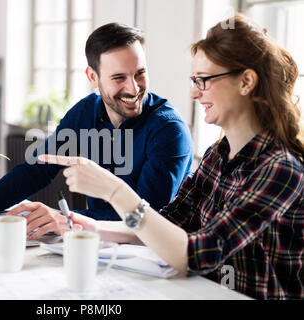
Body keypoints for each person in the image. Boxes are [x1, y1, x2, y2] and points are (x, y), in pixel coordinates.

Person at [40, 14, 304, 300]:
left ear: (246, 82)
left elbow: (196, 253)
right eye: (194, 80)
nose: (193, 92)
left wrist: (113, 190)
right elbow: (166, 224)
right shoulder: (219, 155)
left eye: (203, 80)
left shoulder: (281, 169)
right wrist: (86, 225)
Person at [0, 23, 193, 239]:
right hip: (97, 246)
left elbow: (144, 220)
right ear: (92, 77)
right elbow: (35, 170)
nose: (133, 88)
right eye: (119, 78)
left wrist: (63, 218)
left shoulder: (169, 131)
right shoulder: (85, 112)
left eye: (140, 74)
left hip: (151, 257)